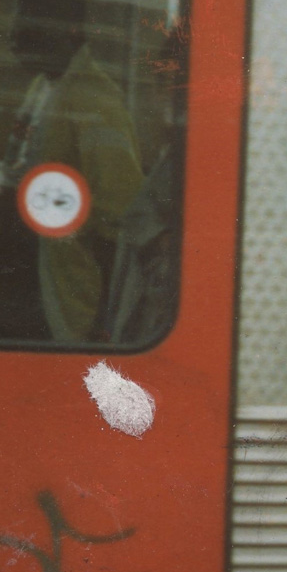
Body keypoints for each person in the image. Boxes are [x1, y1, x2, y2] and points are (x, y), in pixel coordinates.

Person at [0, 0, 144, 343]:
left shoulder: (95, 100)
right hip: (18, 276)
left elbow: (120, 215)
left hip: (53, 292)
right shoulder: (45, 86)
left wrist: (103, 320)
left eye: (28, 27)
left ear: (69, 30)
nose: (14, 38)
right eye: (16, 26)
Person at [101, 21, 188, 346]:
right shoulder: (171, 156)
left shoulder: (191, 164)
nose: (160, 93)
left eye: (173, 82)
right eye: (160, 81)